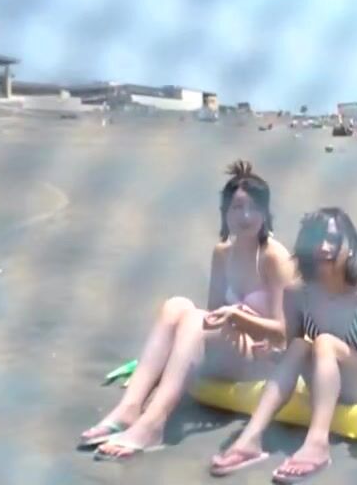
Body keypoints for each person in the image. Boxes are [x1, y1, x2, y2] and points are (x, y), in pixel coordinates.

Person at [81, 160, 294, 460]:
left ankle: (153, 424)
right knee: (177, 306)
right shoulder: (223, 253)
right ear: (225, 212)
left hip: (261, 357)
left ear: (265, 213)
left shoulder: (275, 257)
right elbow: (214, 313)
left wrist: (239, 318)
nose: (245, 216)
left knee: (194, 318)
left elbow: (285, 332)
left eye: (253, 208)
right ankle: (129, 409)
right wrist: (227, 319)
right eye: (236, 208)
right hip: (229, 347)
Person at [209, 208, 357, 482]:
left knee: (324, 342)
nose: (324, 247)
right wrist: (272, 352)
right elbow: (290, 347)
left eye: (333, 240)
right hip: (323, 384)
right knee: (300, 346)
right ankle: (250, 439)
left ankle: (317, 444)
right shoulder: (297, 293)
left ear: (350, 247)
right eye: (317, 239)